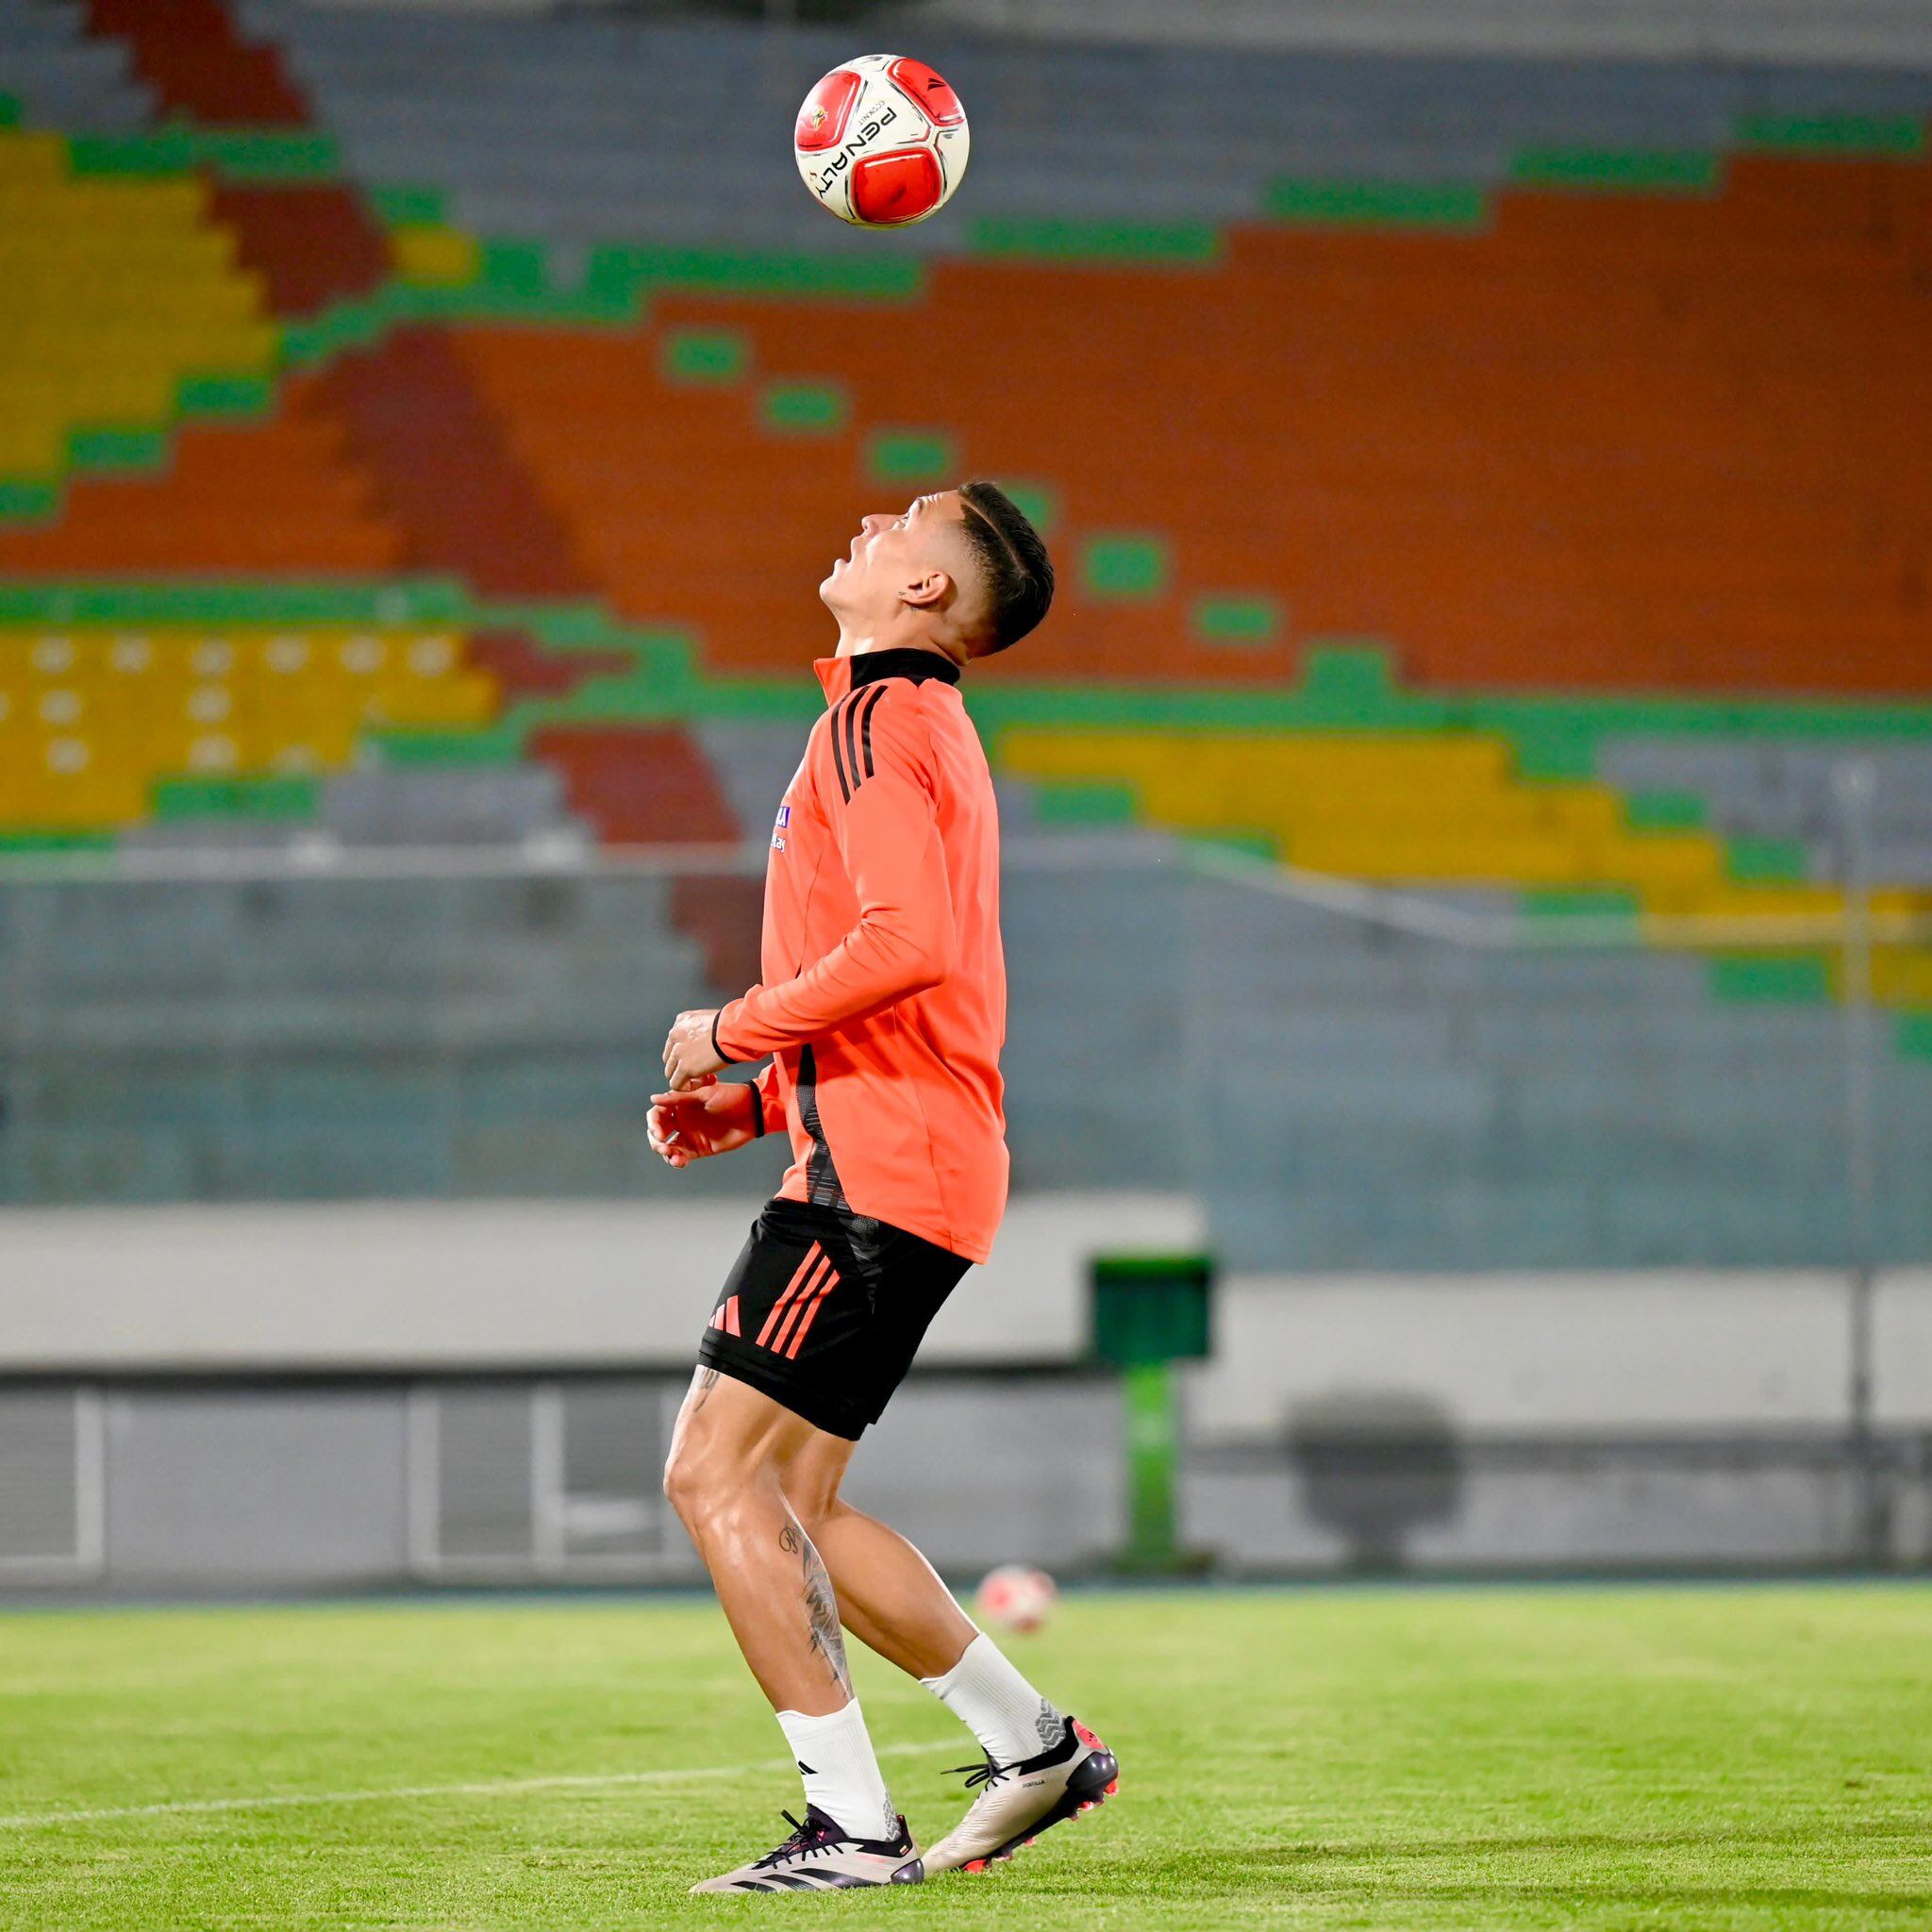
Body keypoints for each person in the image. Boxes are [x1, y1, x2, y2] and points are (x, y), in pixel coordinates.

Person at [652, 483, 1117, 1893]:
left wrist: (736, 1032)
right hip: (911, 1158)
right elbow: (924, 978)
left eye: (907, 520)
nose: (870, 525)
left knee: (714, 1474)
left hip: (875, 1178)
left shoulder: (875, 720)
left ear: (928, 592)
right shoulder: (917, 726)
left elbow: (906, 942)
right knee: (795, 1496)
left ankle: (854, 1828)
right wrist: (760, 1102)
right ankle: (1034, 1745)